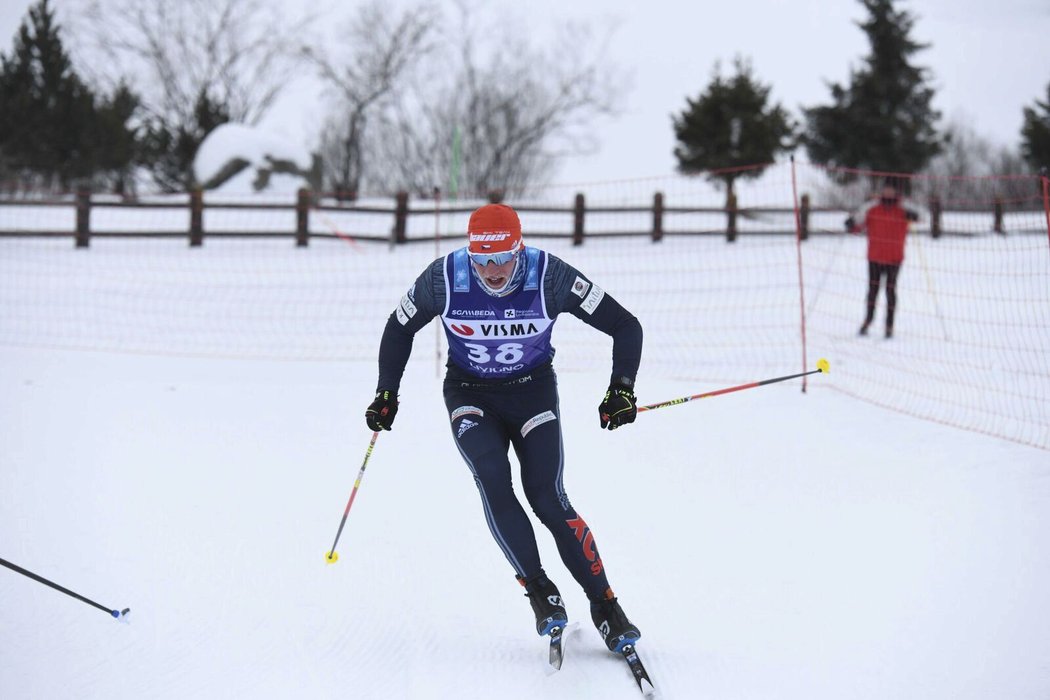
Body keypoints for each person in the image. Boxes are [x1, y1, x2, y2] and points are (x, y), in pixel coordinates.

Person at [364, 203, 644, 654]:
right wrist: (386, 393)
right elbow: (398, 328)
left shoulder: (551, 276)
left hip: (532, 393)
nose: (492, 271)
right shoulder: (443, 277)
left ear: (519, 248)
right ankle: (539, 590)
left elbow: (625, 325)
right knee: (492, 475)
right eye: (482, 260)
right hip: (469, 393)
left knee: (547, 497)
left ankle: (606, 606)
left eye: (502, 259)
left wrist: (622, 389)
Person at [846, 184, 919, 338]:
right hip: (875, 257)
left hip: (894, 258)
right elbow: (858, 224)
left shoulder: (903, 209)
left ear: (896, 191)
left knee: (890, 291)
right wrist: (851, 224)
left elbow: (923, 216)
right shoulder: (872, 208)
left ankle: (889, 325)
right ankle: (868, 321)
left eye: (891, 189)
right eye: (885, 189)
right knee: (872, 291)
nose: (888, 192)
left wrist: (914, 215)